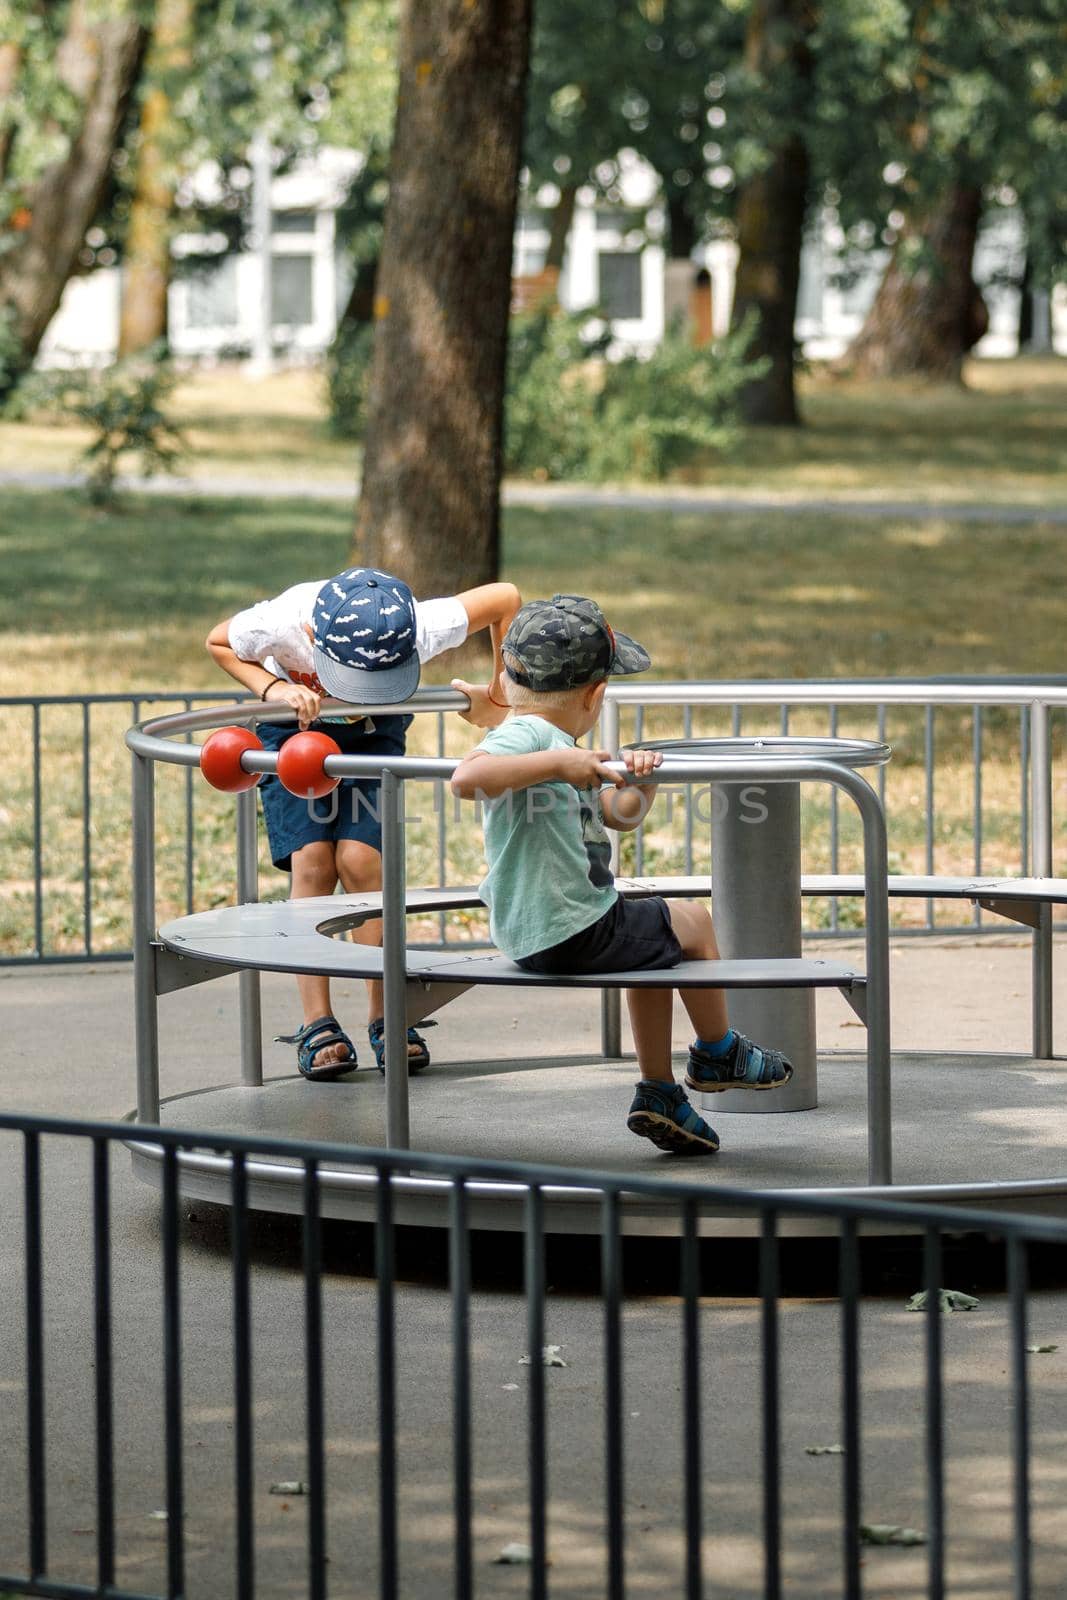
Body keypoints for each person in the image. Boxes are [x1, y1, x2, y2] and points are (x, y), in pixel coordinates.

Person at [450, 594, 792, 1155]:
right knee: (694, 921)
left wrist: (641, 780)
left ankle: (660, 1093)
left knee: (654, 946)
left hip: (549, 926)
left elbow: (616, 816)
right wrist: (562, 763)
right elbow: (467, 779)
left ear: (510, 681)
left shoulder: (558, 746)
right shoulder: (532, 740)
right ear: (595, 695)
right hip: (568, 926)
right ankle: (717, 1051)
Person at [207, 567, 520, 1080]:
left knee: (362, 859)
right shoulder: (282, 623)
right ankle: (317, 1022)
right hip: (291, 732)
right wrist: (271, 689)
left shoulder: (417, 623)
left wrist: (501, 691)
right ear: (314, 639)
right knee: (312, 864)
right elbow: (219, 641)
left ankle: (387, 1013)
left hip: (374, 734)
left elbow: (504, 599)